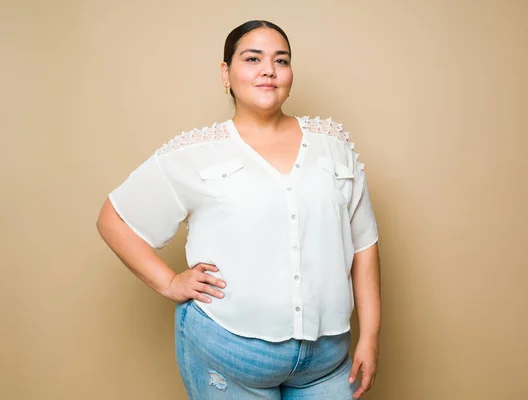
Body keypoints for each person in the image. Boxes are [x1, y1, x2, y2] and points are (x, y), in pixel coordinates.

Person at [96, 20, 381, 400]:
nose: (269, 69)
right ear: (226, 72)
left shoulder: (333, 144)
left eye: (281, 60)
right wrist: (169, 282)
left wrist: (371, 336)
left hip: (326, 359)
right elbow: (112, 219)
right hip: (230, 352)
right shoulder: (196, 152)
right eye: (253, 58)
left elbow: (364, 245)